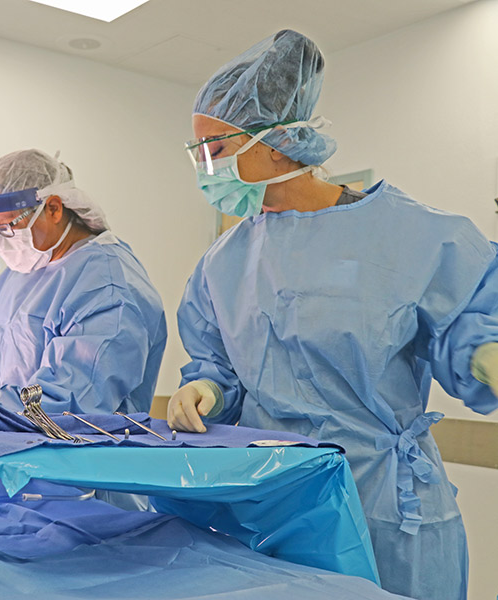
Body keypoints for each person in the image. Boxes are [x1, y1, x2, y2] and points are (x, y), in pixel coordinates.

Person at [170, 29, 498, 600]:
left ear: (276, 144)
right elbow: (217, 359)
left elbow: (468, 328)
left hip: (384, 509)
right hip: (272, 503)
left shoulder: (415, 236)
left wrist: (483, 352)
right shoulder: (224, 261)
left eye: (215, 149)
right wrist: (204, 385)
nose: (204, 167)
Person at [0, 149, 167, 416]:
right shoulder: (25, 269)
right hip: (9, 445)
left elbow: (71, 400)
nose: (3, 240)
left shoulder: (107, 287)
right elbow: (34, 352)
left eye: (8, 226)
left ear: (53, 209)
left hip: (75, 454)